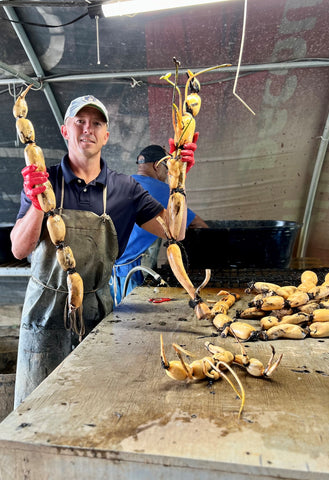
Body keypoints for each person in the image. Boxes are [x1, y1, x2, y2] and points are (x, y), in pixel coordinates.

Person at [10, 95, 198, 407]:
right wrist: (37, 199)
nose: (88, 129)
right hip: (45, 313)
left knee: (94, 403)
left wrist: (179, 181)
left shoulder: (127, 189)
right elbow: (19, 249)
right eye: (79, 122)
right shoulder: (45, 178)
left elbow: (174, 232)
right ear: (65, 130)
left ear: (106, 135)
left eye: (96, 123)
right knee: (37, 407)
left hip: (98, 311)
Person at [110, 144, 208, 305]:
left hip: (109, 273)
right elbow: (196, 223)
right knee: (131, 319)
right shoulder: (162, 189)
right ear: (157, 166)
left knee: (114, 319)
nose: (168, 173)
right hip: (131, 271)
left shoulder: (122, 183)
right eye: (167, 167)